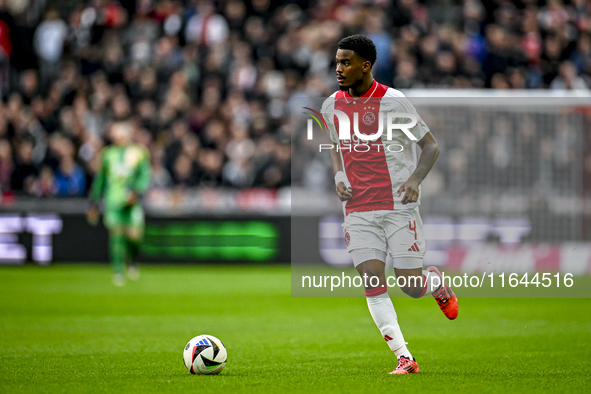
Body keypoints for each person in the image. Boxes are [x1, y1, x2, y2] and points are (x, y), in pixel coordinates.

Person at [321, 35, 458, 375]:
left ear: (365, 65)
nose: (338, 68)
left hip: (398, 206)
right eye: (337, 61)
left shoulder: (393, 101)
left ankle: (434, 283)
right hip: (357, 210)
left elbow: (431, 147)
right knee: (371, 278)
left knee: (411, 287)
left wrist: (414, 180)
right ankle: (404, 357)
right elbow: (337, 147)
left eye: (346, 62)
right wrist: (339, 176)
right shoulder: (330, 106)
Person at [87, 122, 151, 286]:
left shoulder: (139, 153)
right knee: (116, 235)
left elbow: (144, 176)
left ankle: (132, 260)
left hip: (131, 202)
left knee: (135, 236)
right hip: (113, 201)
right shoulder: (107, 154)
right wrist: (94, 201)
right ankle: (118, 271)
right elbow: (101, 179)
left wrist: (136, 191)